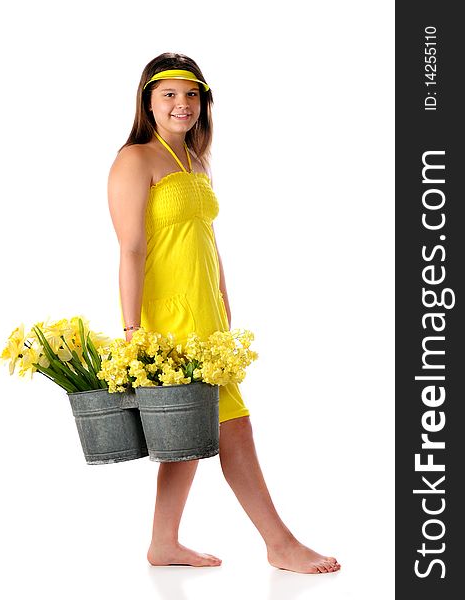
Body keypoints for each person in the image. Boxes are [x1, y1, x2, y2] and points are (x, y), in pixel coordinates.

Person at [107, 52, 341, 575]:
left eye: (191, 95)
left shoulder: (194, 161)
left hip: (208, 317)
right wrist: (131, 331)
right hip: (169, 321)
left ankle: (163, 543)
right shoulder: (135, 159)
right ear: (147, 100)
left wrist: (225, 299)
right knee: (230, 425)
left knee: (187, 433)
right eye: (168, 94)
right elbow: (130, 250)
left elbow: (204, 240)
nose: (181, 104)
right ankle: (279, 542)